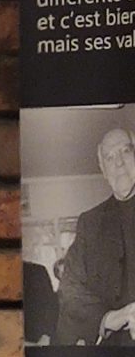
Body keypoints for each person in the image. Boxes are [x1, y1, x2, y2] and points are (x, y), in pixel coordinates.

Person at [54, 121, 135, 343]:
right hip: (112, 353)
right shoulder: (90, 223)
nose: (119, 163)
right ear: (103, 170)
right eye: (109, 157)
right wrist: (108, 318)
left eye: (126, 151)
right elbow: (70, 290)